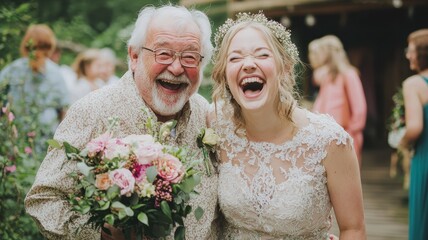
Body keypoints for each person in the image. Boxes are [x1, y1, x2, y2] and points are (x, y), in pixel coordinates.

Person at [25, 5, 218, 240]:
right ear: (134, 56)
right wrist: (102, 234)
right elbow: (44, 200)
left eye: (189, 57)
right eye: (163, 53)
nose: (176, 68)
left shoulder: (208, 116)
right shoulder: (92, 111)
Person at [210, 12, 366, 239]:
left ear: (285, 67)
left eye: (262, 55)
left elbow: (354, 229)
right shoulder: (215, 128)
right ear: (224, 74)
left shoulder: (330, 141)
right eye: (235, 59)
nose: (248, 65)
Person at [0, 24, 70, 145]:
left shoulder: (12, 69)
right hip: (48, 138)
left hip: (17, 137)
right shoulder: (55, 72)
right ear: (50, 46)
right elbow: (64, 109)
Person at [308, 35, 367, 168]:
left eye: (320, 50)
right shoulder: (328, 78)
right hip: (325, 138)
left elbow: (359, 109)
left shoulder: (349, 74)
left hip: (344, 137)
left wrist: (349, 134)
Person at [398, 28, 428, 240]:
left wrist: (401, 143)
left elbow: (415, 127)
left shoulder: (414, 84)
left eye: (410, 50)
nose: (408, 55)